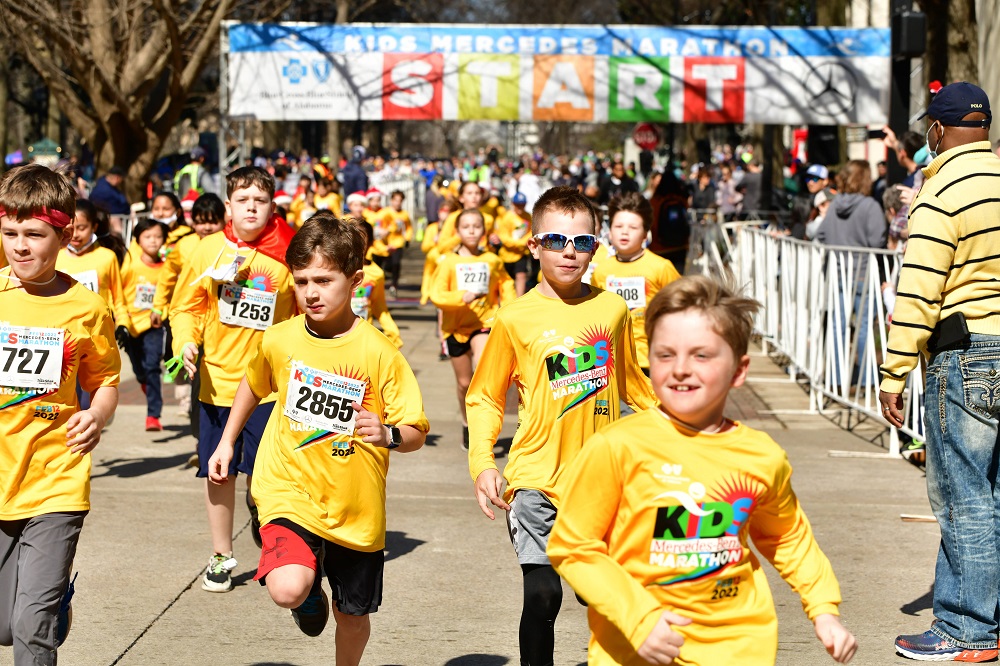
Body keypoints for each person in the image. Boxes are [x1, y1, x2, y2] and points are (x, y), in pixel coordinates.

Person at [547, 276, 857, 666]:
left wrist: (824, 609)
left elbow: (788, 537)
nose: (680, 369)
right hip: (634, 649)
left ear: (739, 370)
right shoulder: (616, 447)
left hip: (739, 646)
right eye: (664, 355)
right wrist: (638, 617)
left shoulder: (762, 456)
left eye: (701, 355)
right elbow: (573, 546)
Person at [207, 212, 428, 659]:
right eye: (302, 280)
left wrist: (387, 433)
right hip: (287, 488)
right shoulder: (280, 338)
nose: (310, 292)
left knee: (352, 616)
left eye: (324, 280)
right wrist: (227, 440)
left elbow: (416, 430)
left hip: (355, 507)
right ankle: (306, 593)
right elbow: (254, 381)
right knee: (288, 588)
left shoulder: (380, 352)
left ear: (356, 279)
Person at [467, 186, 657, 666]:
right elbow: (486, 395)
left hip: (601, 483)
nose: (570, 252)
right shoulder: (514, 318)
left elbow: (635, 388)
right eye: (556, 240)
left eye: (583, 242)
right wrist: (483, 462)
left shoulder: (612, 310)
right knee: (543, 595)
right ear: (534, 246)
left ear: (597, 246)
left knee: (602, 598)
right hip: (534, 477)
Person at [879, 82, 1000, 663]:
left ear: (937, 130)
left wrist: (893, 371)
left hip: (967, 355)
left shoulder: (942, 190)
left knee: (963, 495)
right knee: (991, 493)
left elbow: (920, 291)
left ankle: (967, 628)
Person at [0, 164, 121, 663]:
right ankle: (55, 607)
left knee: (31, 630)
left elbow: (106, 382)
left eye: (35, 234)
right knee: (6, 626)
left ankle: (46, 613)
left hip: (56, 477)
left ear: (65, 232)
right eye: (10, 233)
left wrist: (97, 416)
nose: (20, 246)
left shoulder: (86, 308)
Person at [171, 166, 297, 593]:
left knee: (262, 476)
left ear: (271, 207)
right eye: (242, 200)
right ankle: (222, 554)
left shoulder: (286, 257)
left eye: (259, 201)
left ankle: (270, 535)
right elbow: (185, 307)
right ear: (228, 206)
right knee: (217, 473)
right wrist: (184, 343)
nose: (251, 208)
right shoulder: (205, 250)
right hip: (215, 385)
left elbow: (301, 315)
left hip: (268, 389)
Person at [431, 208, 515, 448]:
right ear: (457, 231)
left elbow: (505, 283)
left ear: (484, 231)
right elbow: (436, 294)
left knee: (482, 369)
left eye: (476, 226)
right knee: (464, 384)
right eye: (466, 226)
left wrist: (506, 308)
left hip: (483, 324)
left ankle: (484, 427)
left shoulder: (492, 260)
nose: (471, 230)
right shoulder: (448, 263)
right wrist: (462, 297)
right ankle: (467, 423)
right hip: (455, 329)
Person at [591, 192, 681, 376]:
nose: (625, 232)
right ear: (609, 231)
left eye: (633, 227)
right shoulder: (601, 271)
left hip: (653, 363)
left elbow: (683, 311)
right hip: (612, 366)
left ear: (646, 232)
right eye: (618, 226)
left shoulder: (661, 267)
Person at [121, 218, 170, 431]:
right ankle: (144, 381)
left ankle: (153, 415)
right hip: (131, 324)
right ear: (138, 239)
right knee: (139, 369)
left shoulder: (168, 268)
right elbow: (118, 291)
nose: (153, 241)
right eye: (148, 236)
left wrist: (162, 313)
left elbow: (169, 295)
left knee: (152, 367)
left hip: (154, 325)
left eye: (158, 237)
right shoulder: (130, 264)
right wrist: (121, 319)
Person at [57, 199, 130, 330]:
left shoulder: (107, 257)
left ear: (94, 227)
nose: (75, 235)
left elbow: (118, 299)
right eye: (71, 229)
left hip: (99, 333)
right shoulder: (55, 257)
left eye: (82, 228)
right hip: (66, 334)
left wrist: (123, 324)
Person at [351, 219, 404, 350]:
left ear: (370, 243)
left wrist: (393, 333)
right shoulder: (335, 269)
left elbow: (380, 307)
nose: (356, 242)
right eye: (352, 236)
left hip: (361, 338)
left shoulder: (377, 274)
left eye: (361, 237)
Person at [495, 192, 532, 296]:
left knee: (521, 275)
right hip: (506, 254)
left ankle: (519, 299)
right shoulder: (507, 218)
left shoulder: (528, 216)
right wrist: (519, 243)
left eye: (522, 204)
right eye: (518, 204)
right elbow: (503, 236)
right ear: (513, 204)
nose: (520, 207)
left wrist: (524, 242)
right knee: (506, 279)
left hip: (520, 254)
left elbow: (531, 232)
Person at [378, 190, 413, 298]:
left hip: (397, 243)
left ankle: (394, 285)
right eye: (395, 200)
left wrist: (407, 239)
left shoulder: (404, 214)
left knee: (396, 264)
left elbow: (408, 227)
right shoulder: (385, 213)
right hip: (385, 243)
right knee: (386, 266)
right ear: (391, 200)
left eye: (400, 200)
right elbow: (378, 225)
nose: (397, 203)